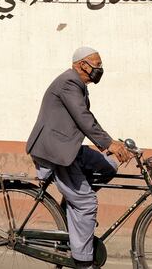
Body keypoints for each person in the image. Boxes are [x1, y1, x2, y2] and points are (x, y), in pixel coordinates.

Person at [26, 47, 134, 269]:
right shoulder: (69, 82)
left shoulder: (79, 85)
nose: (100, 70)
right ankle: (82, 261)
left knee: (108, 167)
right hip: (56, 151)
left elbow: (86, 118)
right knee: (86, 203)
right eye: (97, 65)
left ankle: (72, 205)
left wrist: (112, 144)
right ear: (82, 65)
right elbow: (83, 118)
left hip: (69, 147)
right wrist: (108, 143)